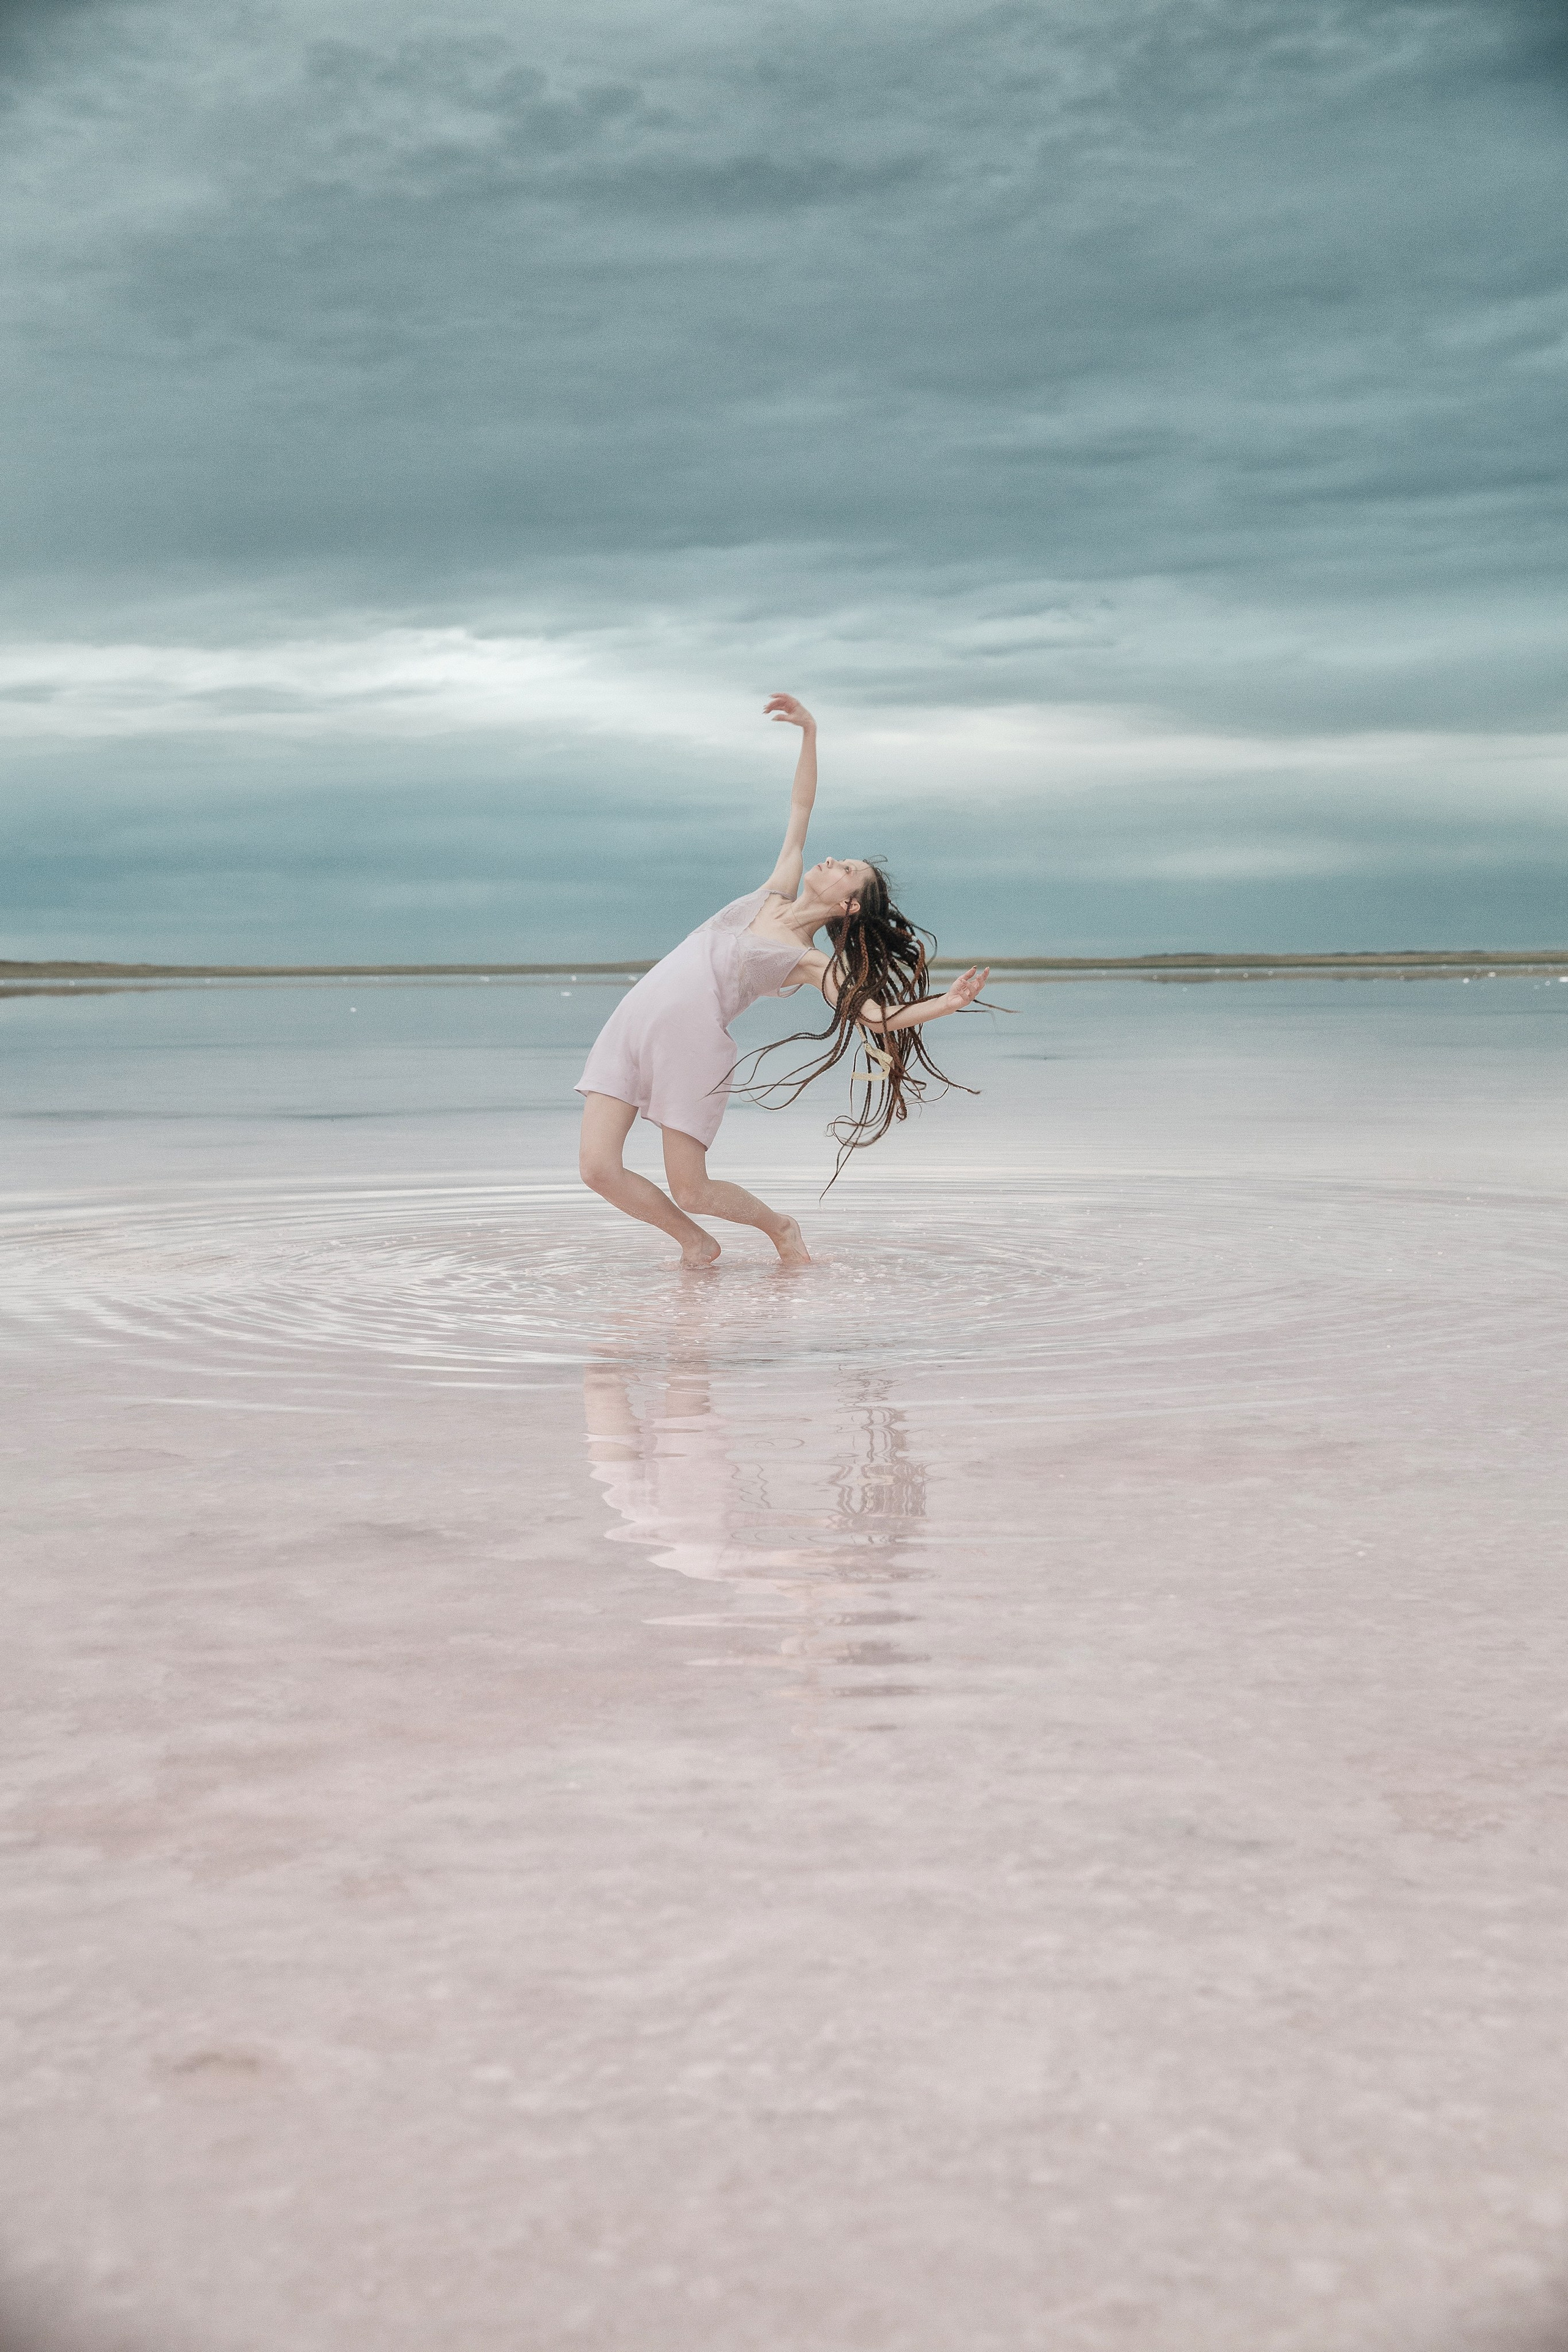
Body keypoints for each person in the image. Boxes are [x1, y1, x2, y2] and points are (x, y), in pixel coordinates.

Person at [575, 695, 991, 1268]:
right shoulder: (777, 888)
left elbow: (873, 1016)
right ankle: (696, 1243)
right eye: (841, 857)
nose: (831, 861)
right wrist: (809, 733)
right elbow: (801, 808)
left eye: (847, 869)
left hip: (689, 1043)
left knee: (691, 1188)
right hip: (632, 1022)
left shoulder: (808, 960)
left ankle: (781, 1228)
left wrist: (945, 1003)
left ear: (848, 905)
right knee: (597, 1169)